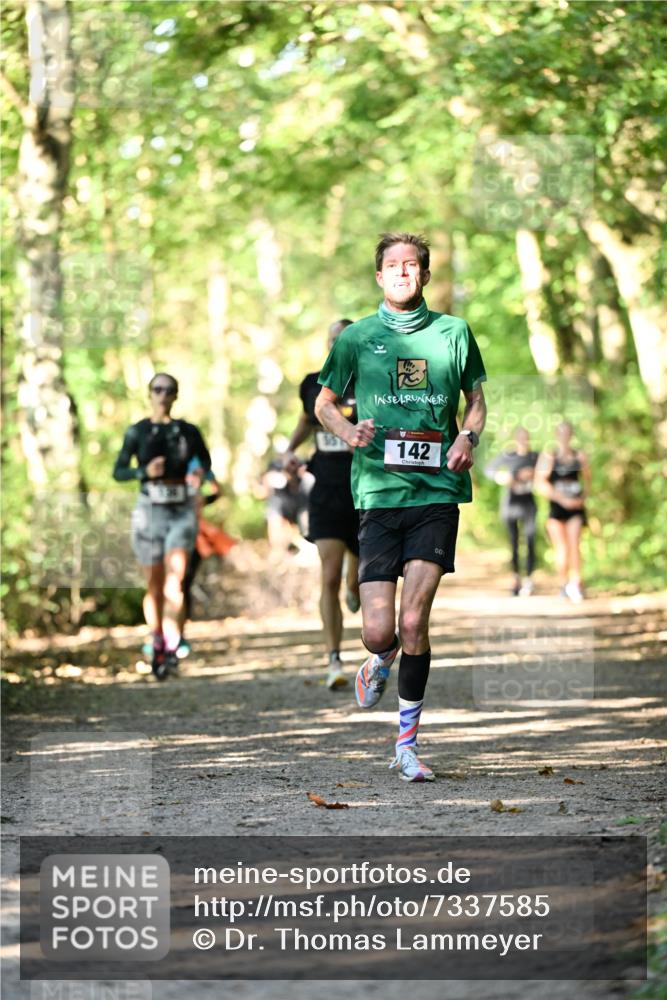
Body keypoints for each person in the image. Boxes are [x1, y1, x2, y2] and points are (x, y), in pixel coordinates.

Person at [315, 232, 487, 782]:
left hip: (436, 493)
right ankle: (379, 659)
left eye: (412, 265)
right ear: (379, 276)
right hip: (379, 497)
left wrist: (467, 439)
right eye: (393, 265)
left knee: (416, 620)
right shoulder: (358, 339)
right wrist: (348, 429)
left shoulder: (453, 333)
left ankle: (407, 744)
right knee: (378, 631)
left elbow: (476, 401)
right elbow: (323, 403)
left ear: (425, 275)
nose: (403, 272)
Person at [113, 372, 211, 679]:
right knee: (154, 584)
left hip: (181, 510)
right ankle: (155, 639)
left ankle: (170, 647)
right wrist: (144, 471)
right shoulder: (137, 432)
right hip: (149, 512)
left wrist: (199, 480)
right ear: (149, 394)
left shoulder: (188, 432)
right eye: (157, 389)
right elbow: (118, 471)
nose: (163, 394)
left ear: (176, 395)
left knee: (175, 582)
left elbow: (206, 465)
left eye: (169, 390)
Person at [283, 319, 361, 691]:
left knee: (357, 582)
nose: (339, 345)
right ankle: (334, 658)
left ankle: (355, 585)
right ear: (327, 344)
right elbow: (305, 422)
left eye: (346, 340)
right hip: (327, 490)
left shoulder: (371, 382)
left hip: (365, 491)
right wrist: (288, 451)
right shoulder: (313, 383)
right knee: (328, 574)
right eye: (334, 340)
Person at [535, 420, 591, 602]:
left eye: (568, 432)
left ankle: (576, 583)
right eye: (562, 433)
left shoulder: (579, 456)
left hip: (575, 507)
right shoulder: (549, 456)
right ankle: (563, 584)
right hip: (557, 508)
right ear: (557, 435)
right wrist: (561, 499)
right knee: (562, 548)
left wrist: (581, 499)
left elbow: (588, 480)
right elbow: (540, 483)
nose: (565, 436)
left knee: (575, 543)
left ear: (571, 435)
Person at [485, 427, 538, 596]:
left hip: (528, 503)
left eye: (526, 437)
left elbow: (550, 471)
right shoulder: (508, 455)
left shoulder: (535, 457)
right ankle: (516, 578)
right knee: (514, 542)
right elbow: (489, 470)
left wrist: (533, 474)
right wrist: (502, 478)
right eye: (520, 437)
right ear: (516, 439)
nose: (523, 440)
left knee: (530, 539)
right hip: (510, 504)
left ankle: (529, 579)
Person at [261, 458, 312, 556]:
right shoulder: (274, 468)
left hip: (298, 504)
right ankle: (278, 551)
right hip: (280, 504)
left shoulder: (302, 472)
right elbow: (265, 486)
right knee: (274, 517)